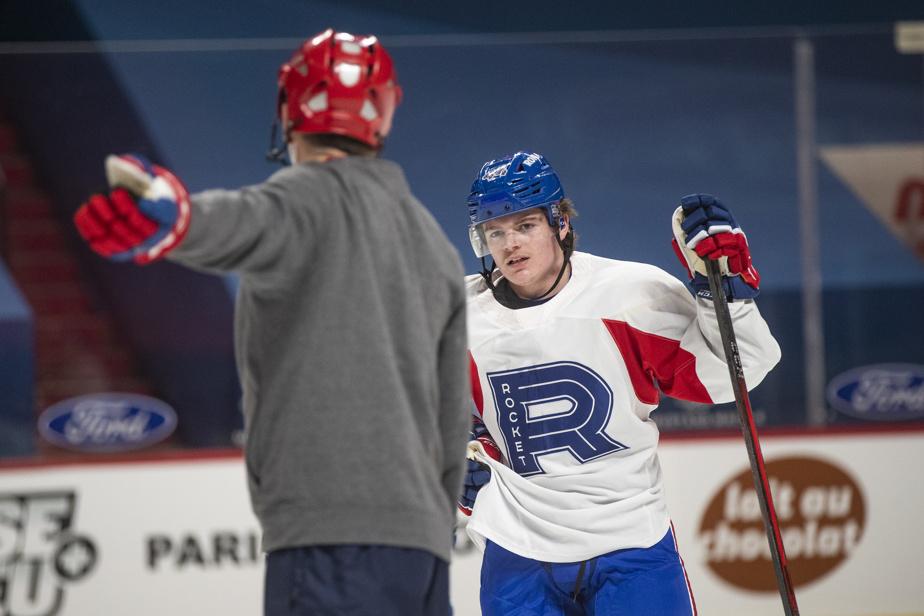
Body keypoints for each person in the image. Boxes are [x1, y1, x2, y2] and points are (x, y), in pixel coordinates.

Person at [73, 29, 470, 616]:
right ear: (383, 113)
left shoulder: (304, 199)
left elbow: (248, 219)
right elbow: (451, 414)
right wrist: (434, 530)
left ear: (290, 111)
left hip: (328, 543)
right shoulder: (433, 243)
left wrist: (179, 221)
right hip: (423, 557)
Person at [458, 151, 781, 615]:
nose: (510, 244)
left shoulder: (628, 294)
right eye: (496, 231)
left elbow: (737, 369)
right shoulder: (458, 314)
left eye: (525, 225)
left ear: (560, 224)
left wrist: (723, 292)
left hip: (631, 544)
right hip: (519, 548)